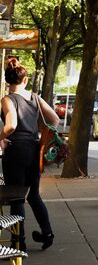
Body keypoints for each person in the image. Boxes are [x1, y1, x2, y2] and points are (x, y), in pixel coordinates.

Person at [0, 57, 60, 251]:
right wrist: (40, 134)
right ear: (25, 80)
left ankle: (19, 243)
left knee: (17, 197)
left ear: (7, 80)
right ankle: (47, 233)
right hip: (34, 150)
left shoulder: (8, 99)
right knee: (33, 194)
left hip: (16, 151)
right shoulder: (34, 97)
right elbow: (55, 119)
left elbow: (11, 126)